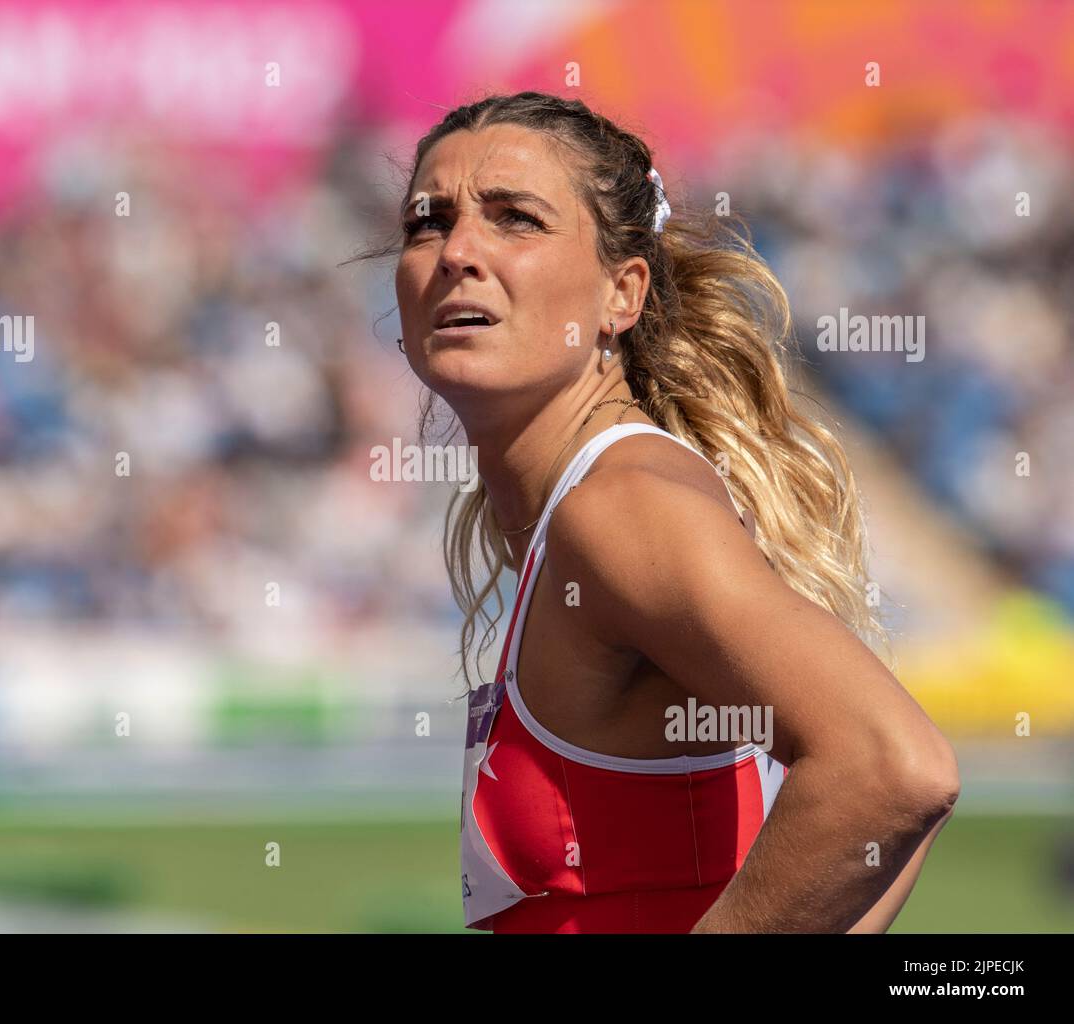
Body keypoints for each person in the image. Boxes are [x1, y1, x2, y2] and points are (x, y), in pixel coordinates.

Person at [386, 92, 959, 933]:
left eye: (517, 219)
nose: (458, 251)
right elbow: (887, 828)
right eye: (427, 222)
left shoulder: (621, 506)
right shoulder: (588, 508)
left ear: (622, 294)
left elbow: (893, 768)